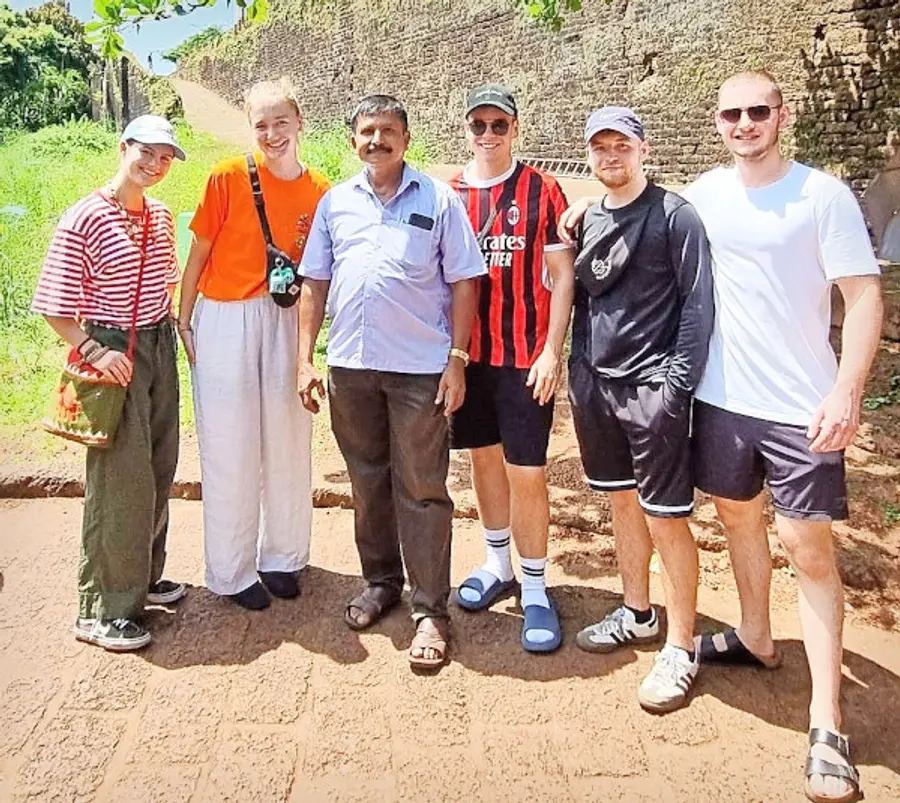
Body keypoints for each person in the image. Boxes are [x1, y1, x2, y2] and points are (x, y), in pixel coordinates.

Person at [681, 71, 881, 803]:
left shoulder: (821, 196)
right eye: (731, 112)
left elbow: (862, 297)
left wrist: (847, 390)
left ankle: (827, 720)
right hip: (723, 398)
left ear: (780, 116)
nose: (744, 123)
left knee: (807, 545)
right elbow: (642, 220)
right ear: (718, 120)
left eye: (757, 111)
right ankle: (756, 635)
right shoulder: (702, 194)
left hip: (803, 406)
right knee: (736, 518)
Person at [297, 94, 486, 670]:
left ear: (406, 138)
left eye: (387, 131)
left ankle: (430, 609)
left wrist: (457, 358)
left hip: (419, 369)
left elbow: (464, 282)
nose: (376, 140)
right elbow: (314, 284)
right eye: (366, 132)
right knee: (367, 480)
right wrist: (305, 360)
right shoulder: (335, 203)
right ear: (353, 140)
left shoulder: (439, 199)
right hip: (352, 365)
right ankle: (381, 583)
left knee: (423, 488)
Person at [566, 107, 714, 712]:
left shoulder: (675, 216)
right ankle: (637, 612)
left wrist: (673, 390)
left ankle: (682, 645)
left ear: (643, 150)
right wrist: (578, 372)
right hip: (598, 387)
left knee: (666, 517)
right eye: (599, 147)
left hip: (654, 391)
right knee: (622, 502)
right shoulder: (587, 220)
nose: (610, 157)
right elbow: (578, 297)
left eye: (621, 145)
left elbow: (697, 306)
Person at [32, 115, 187, 650]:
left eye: (166, 158)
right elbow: (53, 305)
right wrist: (96, 350)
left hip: (158, 343)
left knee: (161, 462)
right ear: (124, 147)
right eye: (147, 152)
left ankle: (142, 577)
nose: (155, 165)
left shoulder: (162, 216)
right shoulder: (85, 217)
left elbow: (165, 281)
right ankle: (102, 608)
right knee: (121, 479)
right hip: (113, 349)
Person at [178, 79, 330, 610]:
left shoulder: (320, 190)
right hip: (225, 315)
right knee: (230, 441)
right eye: (261, 124)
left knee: (289, 438)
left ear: (299, 122)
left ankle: (284, 556)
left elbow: (321, 272)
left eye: (280, 122)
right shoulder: (227, 176)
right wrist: (184, 315)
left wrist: (312, 346)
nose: (272, 134)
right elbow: (199, 249)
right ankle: (232, 567)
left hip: (286, 319)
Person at [447, 85, 575, 653]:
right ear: (467, 130)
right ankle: (497, 561)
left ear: (515, 130)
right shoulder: (450, 193)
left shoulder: (543, 190)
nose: (488, 135)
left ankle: (537, 586)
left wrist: (552, 351)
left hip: (525, 357)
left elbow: (563, 275)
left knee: (528, 471)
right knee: (483, 459)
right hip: (470, 358)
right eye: (479, 125)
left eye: (499, 125)